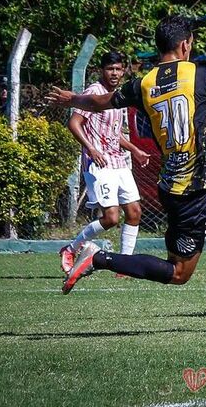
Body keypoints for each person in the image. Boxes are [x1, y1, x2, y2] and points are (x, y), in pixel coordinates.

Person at [47, 15, 206, 333]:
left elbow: (101, 102)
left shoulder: (144, 83)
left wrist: (71, 99)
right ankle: (99, 258)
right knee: (179, 273)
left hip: (175, 185)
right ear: (185, 44)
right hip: (190, 191)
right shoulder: (202, 75)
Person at [58, 52, 151, 275]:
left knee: (135, 211)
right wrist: (91, 148)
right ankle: (70, 249)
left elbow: (113, 133)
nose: (115, 73)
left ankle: (125, 265)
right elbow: (74, 123)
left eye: (119, 69)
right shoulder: (94, 93)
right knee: (111, 218)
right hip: (99, 164)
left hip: (119, 161)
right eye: (111, 69)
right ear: (102, 70)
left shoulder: (117, 97)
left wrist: (135, 150)